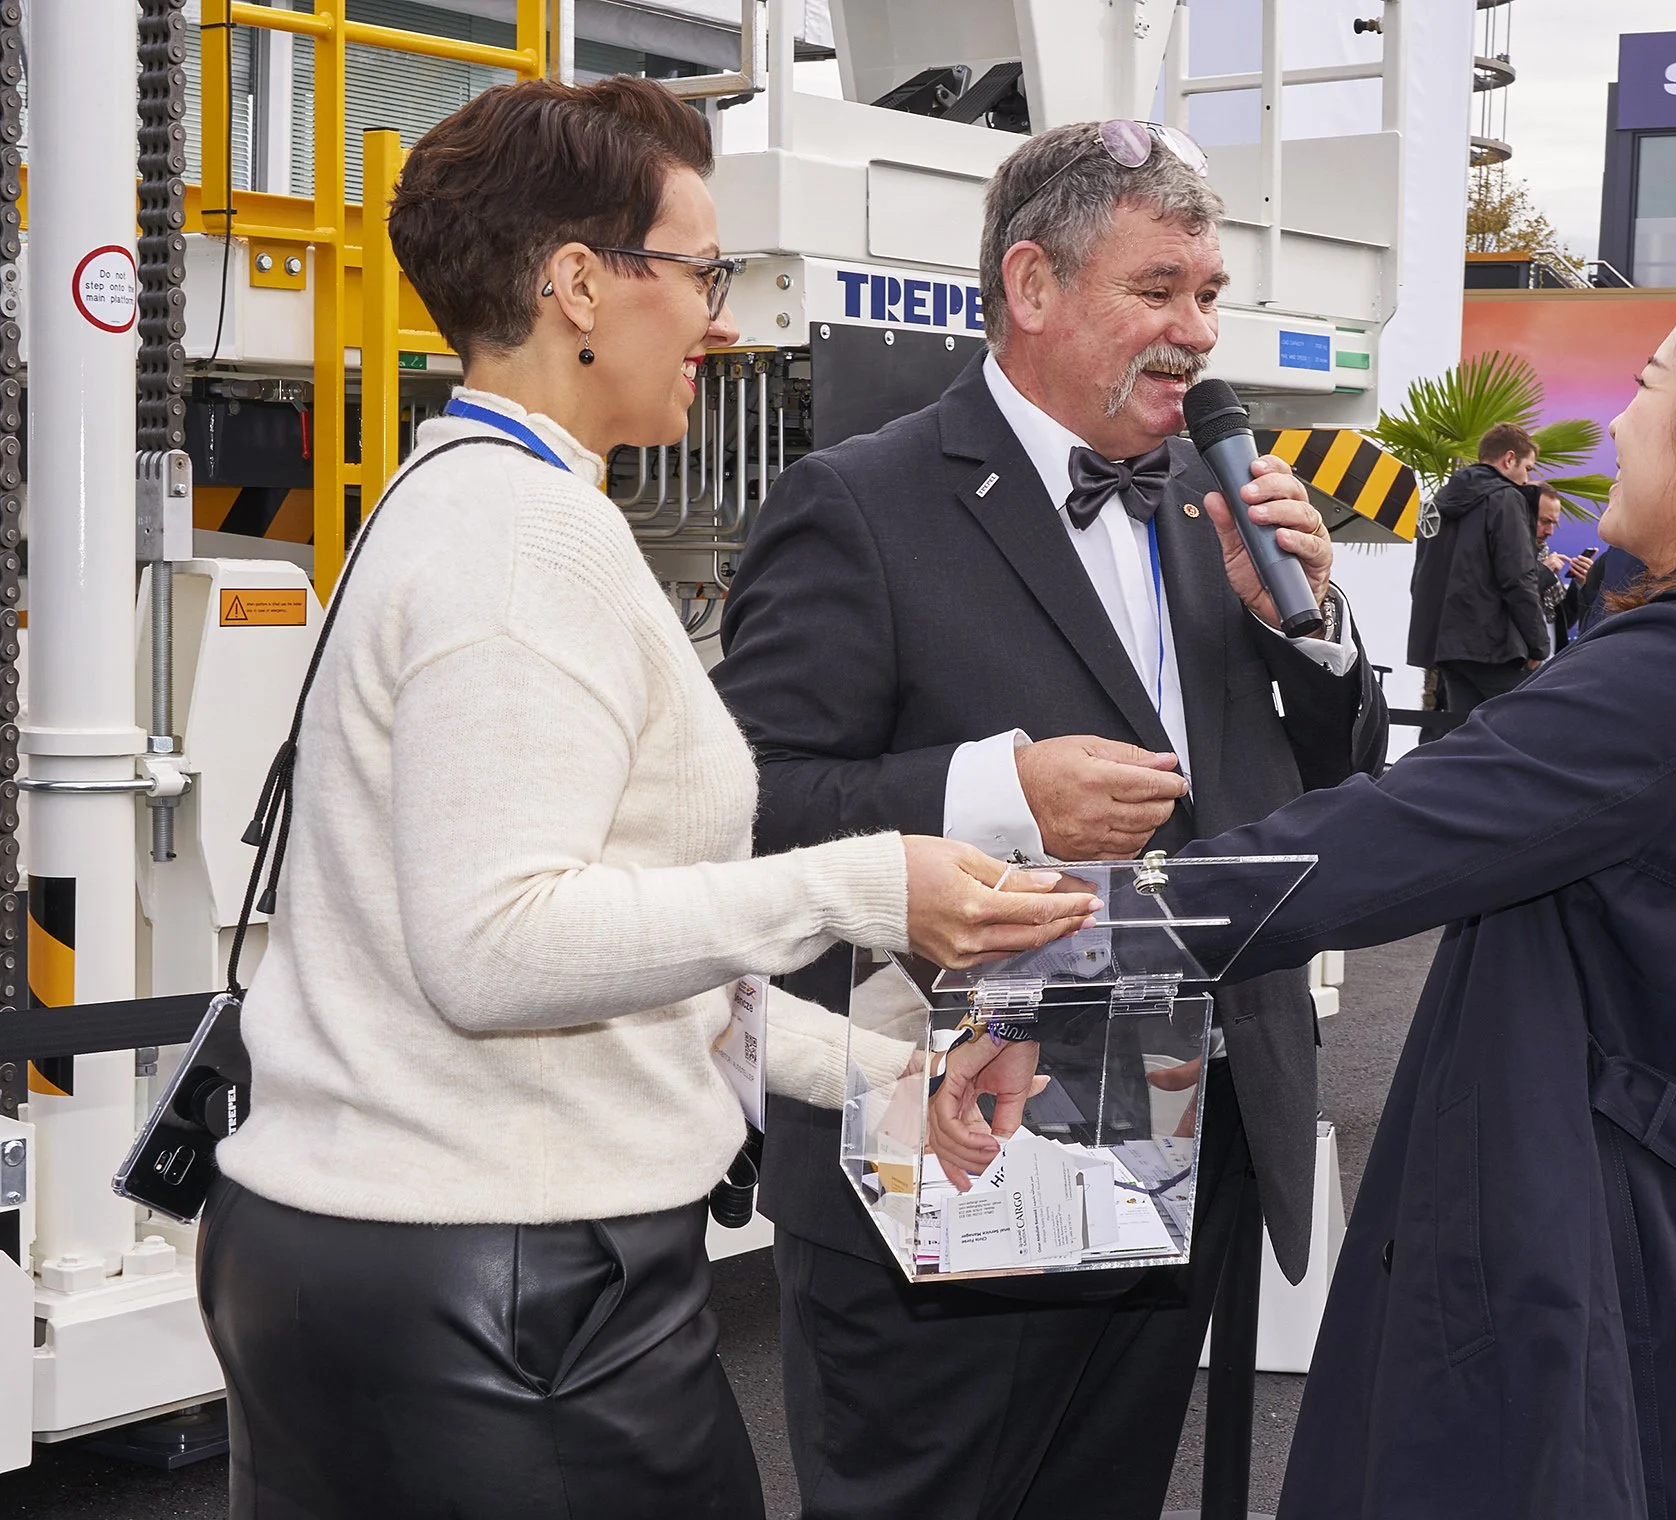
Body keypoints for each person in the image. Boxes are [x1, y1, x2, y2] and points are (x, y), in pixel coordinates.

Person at [192, 78, 1096, 1519]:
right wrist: (873, 883)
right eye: (699, 271)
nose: (721, 317)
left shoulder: (454, 501)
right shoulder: (531, 539)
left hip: (382, 1261)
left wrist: (882, 1078)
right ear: (576, 287)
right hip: (513, 1299)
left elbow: (610, 957)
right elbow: (499, 949)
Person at [711, 118, 1388, 1520]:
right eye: (1160, 290)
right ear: (1032, 288)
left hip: (1178, 1136)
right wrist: (998, 794)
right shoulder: (860, 504)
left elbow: (1314, 775)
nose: (1198, 332)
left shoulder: (1216, 496)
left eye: (1208, 293)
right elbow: (746, 802)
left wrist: (1313, 645)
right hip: (942, 1142)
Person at [1187, 267, 1676, 1518]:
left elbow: (1382, 840)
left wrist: (1063, 910)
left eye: (1650, 388)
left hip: (1573, 1243)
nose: (1620, 425)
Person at [1407, 423, 1552, 717]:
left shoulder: (1439, 502)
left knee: (1468, 736)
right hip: (1494, 647)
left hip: (1447, 648)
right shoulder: (1506, 498)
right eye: (1528, 468)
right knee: (1524, 730)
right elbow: (1518, 577)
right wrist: (1539, 645)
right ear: (1509, 459)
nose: (1526, 480)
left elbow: (1419, 577)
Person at [1531, 484, 1597, 653]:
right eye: (1545, 521)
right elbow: (1510, 602)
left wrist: (1579, 582)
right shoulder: (1503, 556)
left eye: (1554, 523)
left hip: (1547, 663)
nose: (1550, 531)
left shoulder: (1543, 555)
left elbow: (1564, 619)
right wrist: (1544, 573)